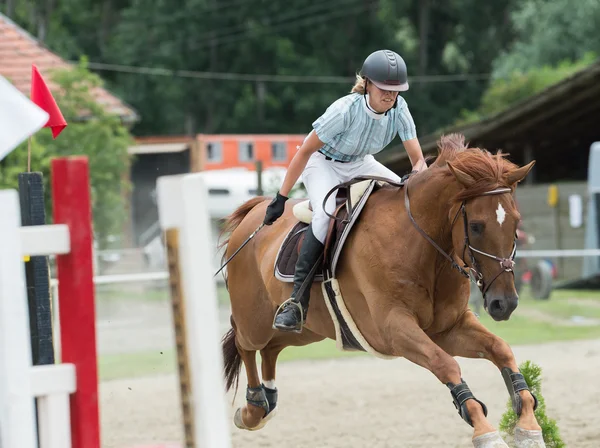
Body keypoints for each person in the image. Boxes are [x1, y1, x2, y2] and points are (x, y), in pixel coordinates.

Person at [263, 49, 428, 333]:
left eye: (395, 91)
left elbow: (418, 160)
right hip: (322, 163)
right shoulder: (343, 110)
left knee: (404, 196)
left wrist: (416, 179)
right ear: (367, 83)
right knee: (325, 216)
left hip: (360, 163)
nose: (390, 96)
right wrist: (281, 197)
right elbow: (304, 153)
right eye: (384, 89)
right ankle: (296, 302)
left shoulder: (400, 110)